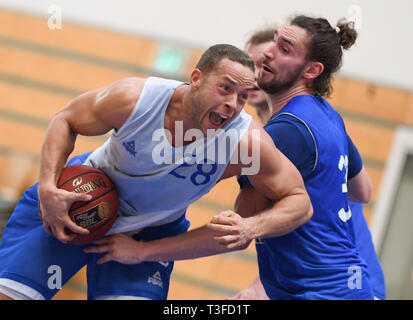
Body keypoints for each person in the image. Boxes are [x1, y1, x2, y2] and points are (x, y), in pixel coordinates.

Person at [0, 44, 312, 300]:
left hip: (152, 230)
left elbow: (299, 201)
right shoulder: (135, 99)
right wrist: (47, 187)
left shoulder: (247, 142)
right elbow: (66, 119)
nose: (233, 104)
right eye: (225, 89)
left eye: (242, 97)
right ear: (196, 78)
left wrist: (249, 228)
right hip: (78, 202)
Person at [209, 16, 377, 300]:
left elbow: (240, 223)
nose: (267, 54)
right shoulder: (327, 116)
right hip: (352, 282)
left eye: (284, 49)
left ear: (312, 69)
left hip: (321, 290)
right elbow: (363, 191)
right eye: (274, 43)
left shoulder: (288, 131)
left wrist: (146, 250)